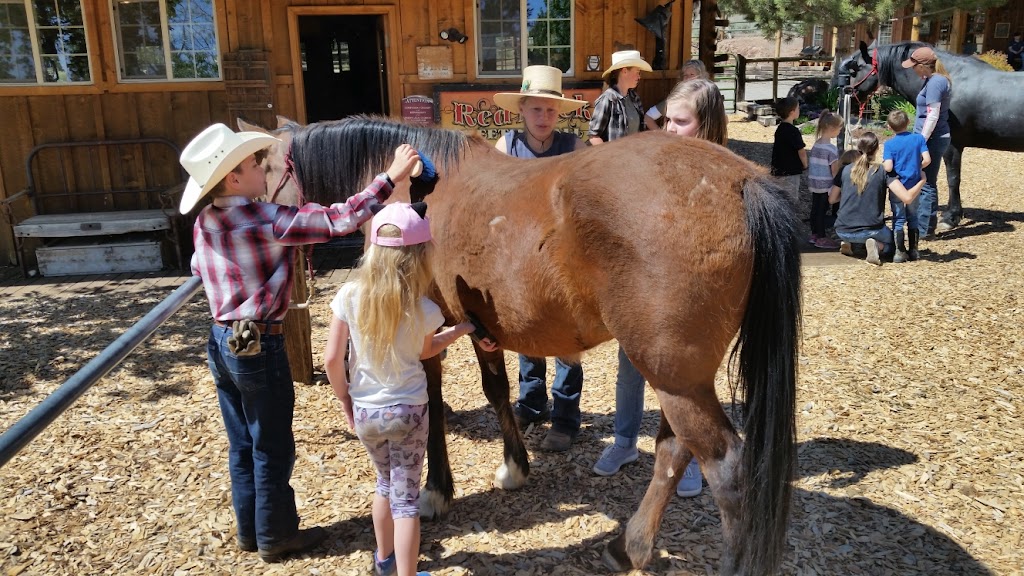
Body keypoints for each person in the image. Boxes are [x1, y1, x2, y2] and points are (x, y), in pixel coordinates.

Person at [181, 123, 419, 562]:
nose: (263, 170)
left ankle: (251, 530)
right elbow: (336, 220)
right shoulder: (265, 219)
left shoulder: (204, 221)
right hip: (259, 343)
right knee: (271, 443)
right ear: (234, 178)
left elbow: (200, 268)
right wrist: (389, 178)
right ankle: (276, 535)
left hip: (221, 339)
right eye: (255, 164)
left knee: (242, 442)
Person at [324, 203, 496, 576]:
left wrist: (345, 399)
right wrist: (463, 329)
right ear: (420, 257)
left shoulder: (348, 297)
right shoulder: (424, 309)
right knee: (406, 502)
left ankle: (383, 560)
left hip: (367, 412)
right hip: (409, 412)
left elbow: (332, 359)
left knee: (384, 485)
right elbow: (425, 351)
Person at [619, 77, 727, 498]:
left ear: (707, 124)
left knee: (685, 383)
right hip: (644, 292)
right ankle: (625, 441)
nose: (668, 129)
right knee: (629, 372)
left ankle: (690, 457)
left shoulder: (721, 176)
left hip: (691, 298)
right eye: (666, 120)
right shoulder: (658, 165)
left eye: (680, 122)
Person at [493, 65, 588, 452]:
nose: (544, 117)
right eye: (536, 109)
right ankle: (532, 403)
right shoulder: (506, 147)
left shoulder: (575, 148)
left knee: (567, 336)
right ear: (522, 109)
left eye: (550, 110)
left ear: (558, 112)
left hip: (563, 258)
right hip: (521, 257)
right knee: (528, 329)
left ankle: (565, 416)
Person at [828, 132, 926, 265]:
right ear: (877, 149)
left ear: (858, 148)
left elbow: (832, 199)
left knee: (857, 236)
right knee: (894, 246)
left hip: (842, 230)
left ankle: (850, 243)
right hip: (872, 229)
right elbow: (907, 198)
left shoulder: (845, 170)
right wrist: (922, 181)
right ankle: (877, 246)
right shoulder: (882, 171)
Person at [902, 46, 951, 237]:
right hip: (932, 138)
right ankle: (926, 225)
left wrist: (921, 141)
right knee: (926, 180)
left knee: (927, 183)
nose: (913, 69)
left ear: (922, 66)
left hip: (932, 139)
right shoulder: (933, 80)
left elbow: (933, 115)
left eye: (914, 66)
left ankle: (924, 230)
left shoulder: (936, 82)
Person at [882, 109, 931, 262]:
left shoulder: (889, 144)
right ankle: (914, 251)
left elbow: (888, 167)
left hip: (897, 185)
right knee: (913, 215)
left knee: (898, 217)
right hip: (914, 184)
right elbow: (927, 159)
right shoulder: (918, 139)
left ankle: (899, 252)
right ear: (908, 122)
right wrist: (918, 168)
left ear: (889, 127)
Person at [588, 50, 652, 144]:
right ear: (624, 71)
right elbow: (594, 136)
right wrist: (609, 153)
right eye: (637, 72)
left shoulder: (635, 98)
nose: (639, 77)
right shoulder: (607, 99)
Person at [806, 112, 844, 249]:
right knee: (822, 211)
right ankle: (821, 237)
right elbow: (834, 171)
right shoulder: (831, 149)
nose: (840, 131)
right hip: (826, 184)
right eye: (840, 128)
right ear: (832, 128)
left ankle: (814, 234)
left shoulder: (816, 144)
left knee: (815, 209)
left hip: (814, 183)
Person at [644, 59, 709, 129]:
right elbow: (648, 117)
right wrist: (661, 134)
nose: (688, 78)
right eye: (685, 75)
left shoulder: (708, 98)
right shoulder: (676, 100)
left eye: (692, 74)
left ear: (701, 76)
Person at [770, 97, 808, 210]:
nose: (799, 110)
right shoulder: (793, 131)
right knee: (791, 198)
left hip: (778, 169)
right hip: (791, 171)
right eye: (798, 108)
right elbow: (801, 150)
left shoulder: (780, 129)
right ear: (792, 112)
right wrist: (805, 164)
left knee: (780, 197)